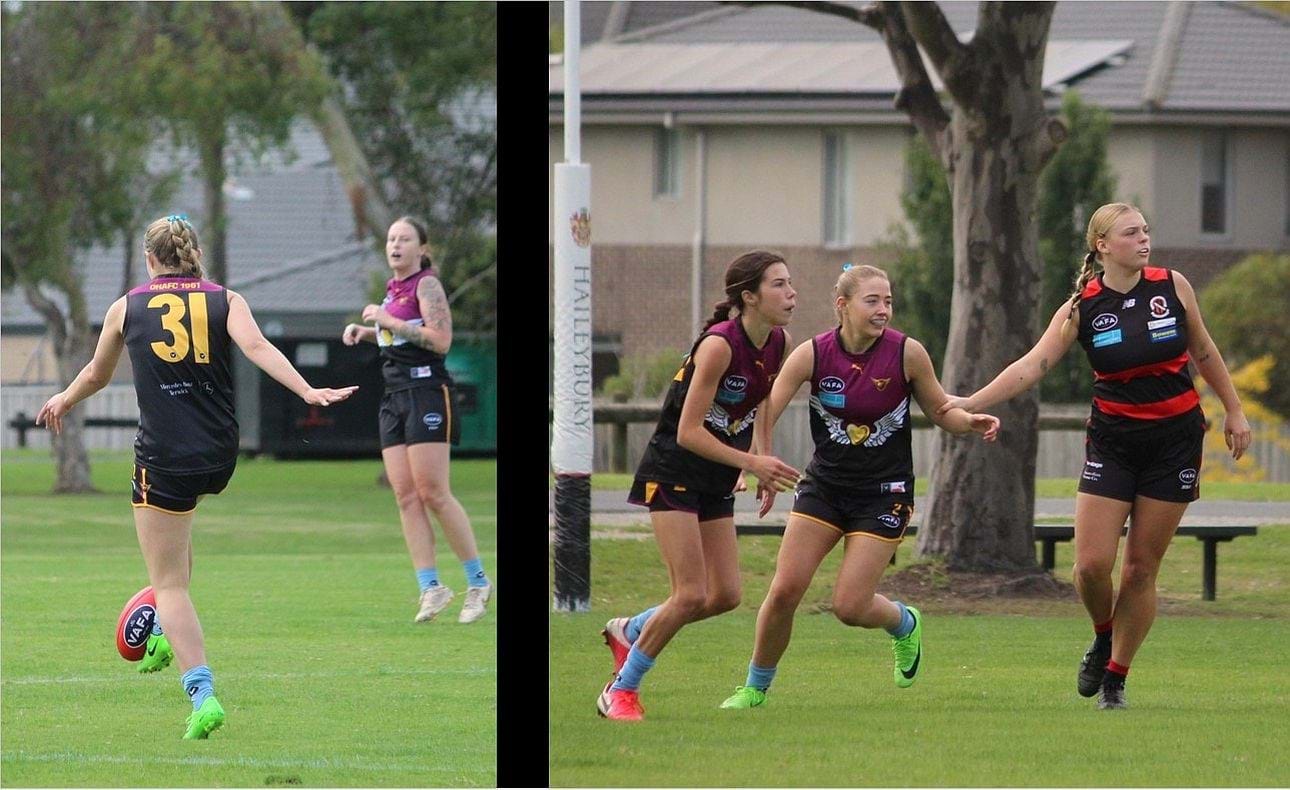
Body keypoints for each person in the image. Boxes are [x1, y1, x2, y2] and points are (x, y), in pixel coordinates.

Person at [36, 215, 358, 739]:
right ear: (191, 252)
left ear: (149, 259)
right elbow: (258, 349)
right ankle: (162, 633)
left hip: (164, 455)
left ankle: (202, 693)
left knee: (168, 584)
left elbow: (96, 374)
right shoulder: (226, 299)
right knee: (176, 553)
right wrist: (307, 392)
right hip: (217, 453)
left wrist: (63, 399)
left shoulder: (126, 306)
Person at [936, 202, 1251, 709]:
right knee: (1090, 567)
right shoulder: (1083, 307)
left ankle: (1115, 681)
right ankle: (1104, 634)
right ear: (1102, 245)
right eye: (1131, 233)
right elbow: (1032, 365)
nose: (1144, 239)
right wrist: (969, 402)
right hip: (1114, 442)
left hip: (1175, 443)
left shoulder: (1173, 285)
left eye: (1146, 230)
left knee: (1141, 570)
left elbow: (1205, 351)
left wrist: (1234, 411)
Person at [716, 264, 1000, 711]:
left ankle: (904, 623)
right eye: (873, 300)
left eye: (888, 300)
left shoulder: (907, 353)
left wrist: (969, 421)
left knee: (849, 606)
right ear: (842, 305)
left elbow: (941, 408)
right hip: (825, 488)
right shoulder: (812, 353)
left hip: (883, 493)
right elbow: (767, 406)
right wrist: (762, 462)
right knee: (786, 589)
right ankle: (754, 688)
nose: (883, 309)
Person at [596, 250, 802, 722]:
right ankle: (620, 691)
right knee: (689, 593)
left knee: (725, 594)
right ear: (748, 297)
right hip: (672, 472)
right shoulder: (718, 346)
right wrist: (751, 460)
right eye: (778, 285)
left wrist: (761, 462)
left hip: (714, 477)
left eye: (789, 283)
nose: (791, 293)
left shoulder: (778, 341)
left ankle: (632, 629)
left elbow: (763, 404)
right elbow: (688, 431)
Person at [342, 217, 492, 624]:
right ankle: (431, 587)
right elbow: (399, 334)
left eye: (404, 239)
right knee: (405, 495)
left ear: (422, 249)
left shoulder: (426, 284)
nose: (395, 244)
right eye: (391, 238)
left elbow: (439, 340)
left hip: (427, 392)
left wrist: (385, 321)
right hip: (394, 397)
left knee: (433, 492)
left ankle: (477, 582)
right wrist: (368, 331)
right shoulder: (393, 290)